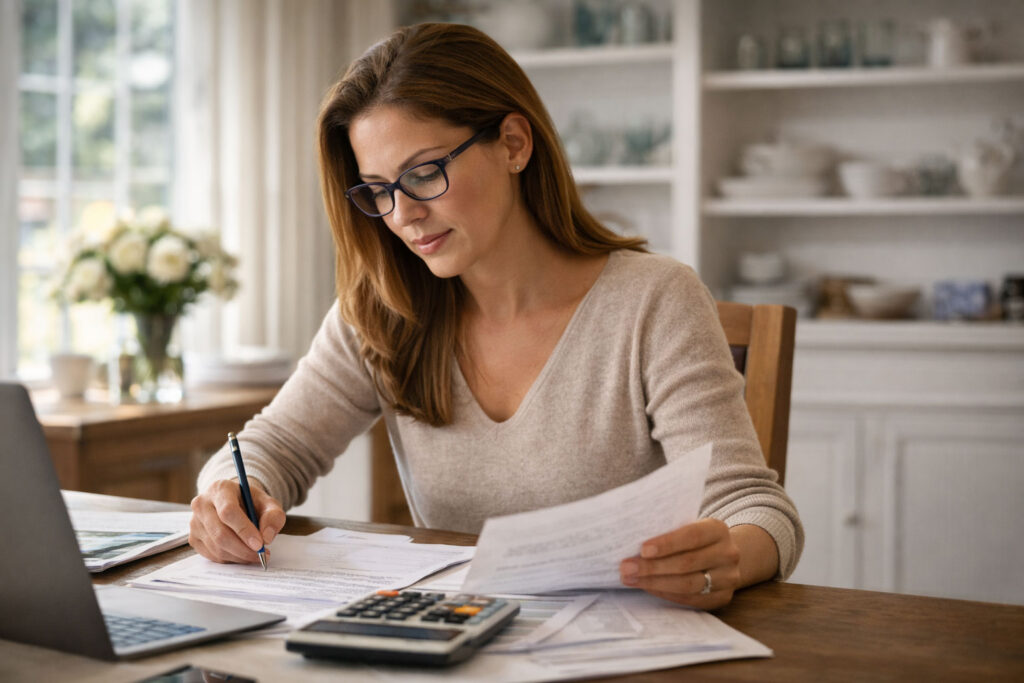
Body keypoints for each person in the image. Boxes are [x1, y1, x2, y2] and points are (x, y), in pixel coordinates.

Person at [190, 22, 803, 609]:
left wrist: (725, 556)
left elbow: (754, 509)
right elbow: (274, 446)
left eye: (424, 173)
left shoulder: (654, 300)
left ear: (513, 143)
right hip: (457, 645)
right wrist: (227, 495)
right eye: (377, 189)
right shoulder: (383, 311)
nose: (402, 215)